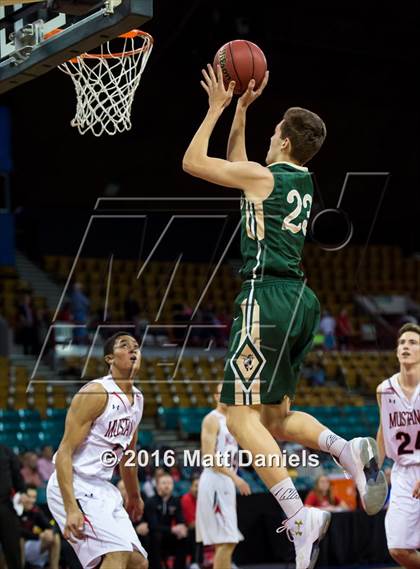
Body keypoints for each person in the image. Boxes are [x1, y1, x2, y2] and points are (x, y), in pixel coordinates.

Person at [183, 64, 388, 569]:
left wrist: (215, 108)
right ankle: (345, 447)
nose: (268, 140)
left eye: (274, 133)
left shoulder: (263, 176)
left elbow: (193, 162)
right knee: (272, 417)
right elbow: (241, 166)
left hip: (265, 296)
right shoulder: (300, 181)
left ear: (286, 144)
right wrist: (243, 113)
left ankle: (300, 518)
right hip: (300, 300)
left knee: (236, 414)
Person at [46, 331, 148, 569]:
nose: (134, 350)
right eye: (125, 346)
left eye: (136, 346)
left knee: (139, 563)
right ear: (109, 359)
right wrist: (70, 507)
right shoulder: (96, 393)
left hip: (103, 489)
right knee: (117, 556)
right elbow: (64, 452)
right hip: (76, 485)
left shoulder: (138, 400)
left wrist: (134, 495)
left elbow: (128, 456)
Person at [376, 323, 420, 569]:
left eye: (413, 343)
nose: (406, 346)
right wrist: (373, 474)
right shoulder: (384, 390)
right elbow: (384, 432)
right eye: (402, 343)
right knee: (399, 549)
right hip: (402, 471)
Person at [196, 383, 250, 569]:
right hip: (214, 481)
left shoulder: (234, 421)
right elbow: (208, 457)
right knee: (227, 540)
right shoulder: (212, 419)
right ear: (216, 396)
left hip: (226, 482)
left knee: (226, 541)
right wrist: (235, 478)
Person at [144, 473, 188, 569]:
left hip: (169, 534)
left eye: (170, 483)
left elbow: (180, 519)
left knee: (183, 536)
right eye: (164, 483)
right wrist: (172, 529)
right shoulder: (150, 501)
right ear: (158, 486)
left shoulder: (175, 501)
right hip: (154, 535)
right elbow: (153, 526)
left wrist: (182, 527)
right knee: (156, 536)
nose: (167, 485)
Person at [19, 485, 60, 569]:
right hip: (16, 549)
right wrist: (38, 535)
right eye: (29, 496)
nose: (31, 500)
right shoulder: (15, 510)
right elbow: (18, 531)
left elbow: (50, 525)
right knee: (20, 539)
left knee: (55, 537)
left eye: (34, 497)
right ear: (22, 496)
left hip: (31, 547)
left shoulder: (35, 510)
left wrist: (50, 532)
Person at [0, 443, 25, 569]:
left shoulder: (6, 451)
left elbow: (17, 475)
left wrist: (22, 492)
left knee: (13, 550)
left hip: (5, 506)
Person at [180, 475, 201, 569]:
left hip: (201, 528)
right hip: (185, 531)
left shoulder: (203, 498)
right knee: (195, 531)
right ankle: (194, 563)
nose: (198, 489)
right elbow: (191, 524)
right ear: (190, 487)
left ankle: (229, 561)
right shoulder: (186, 499)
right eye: (196, 486)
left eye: (200, 486)